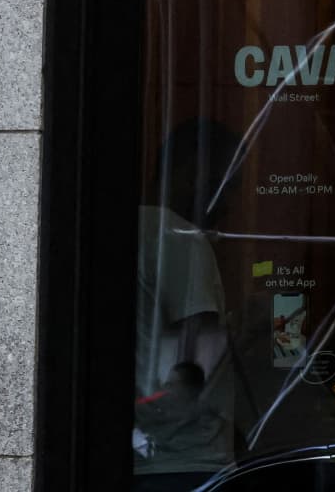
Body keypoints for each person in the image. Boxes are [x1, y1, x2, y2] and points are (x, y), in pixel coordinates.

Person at [134, 119, 240, 490]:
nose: (228, 203)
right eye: (227, 184)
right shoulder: (177, 235)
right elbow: (198, 362)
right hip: (184, 458)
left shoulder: (136, 229)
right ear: (192, 173)